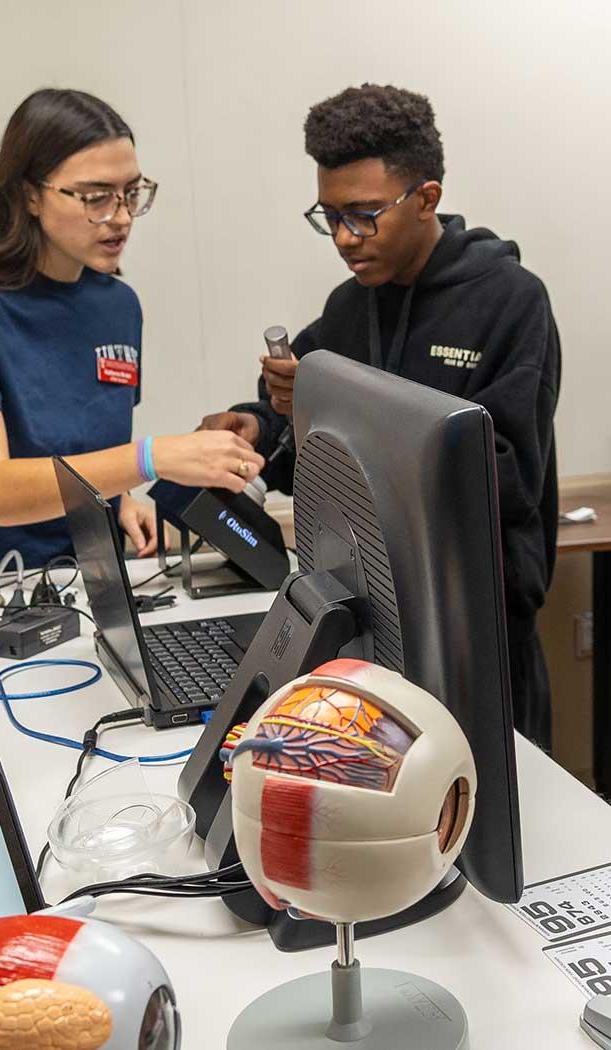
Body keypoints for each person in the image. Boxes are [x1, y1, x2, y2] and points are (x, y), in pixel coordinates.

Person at [197, 84, 562, 747]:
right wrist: (264, 420)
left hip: (476, 630)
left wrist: (345, 410)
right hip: (372, 612)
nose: (343, 237)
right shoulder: (350, 306)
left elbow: (507, 477)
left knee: (498, 834)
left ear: (426, 199)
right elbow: (308, 434)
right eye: (329, 215)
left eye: (363, 215)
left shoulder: (511, 302)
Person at [0, 88, 263, 575]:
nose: (122, 217)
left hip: (91, 576)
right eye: (95, 198)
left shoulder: (116, 306)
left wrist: (123, 498)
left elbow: (81, 449)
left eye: (131, 193)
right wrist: (153, 458)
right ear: (30, 193)